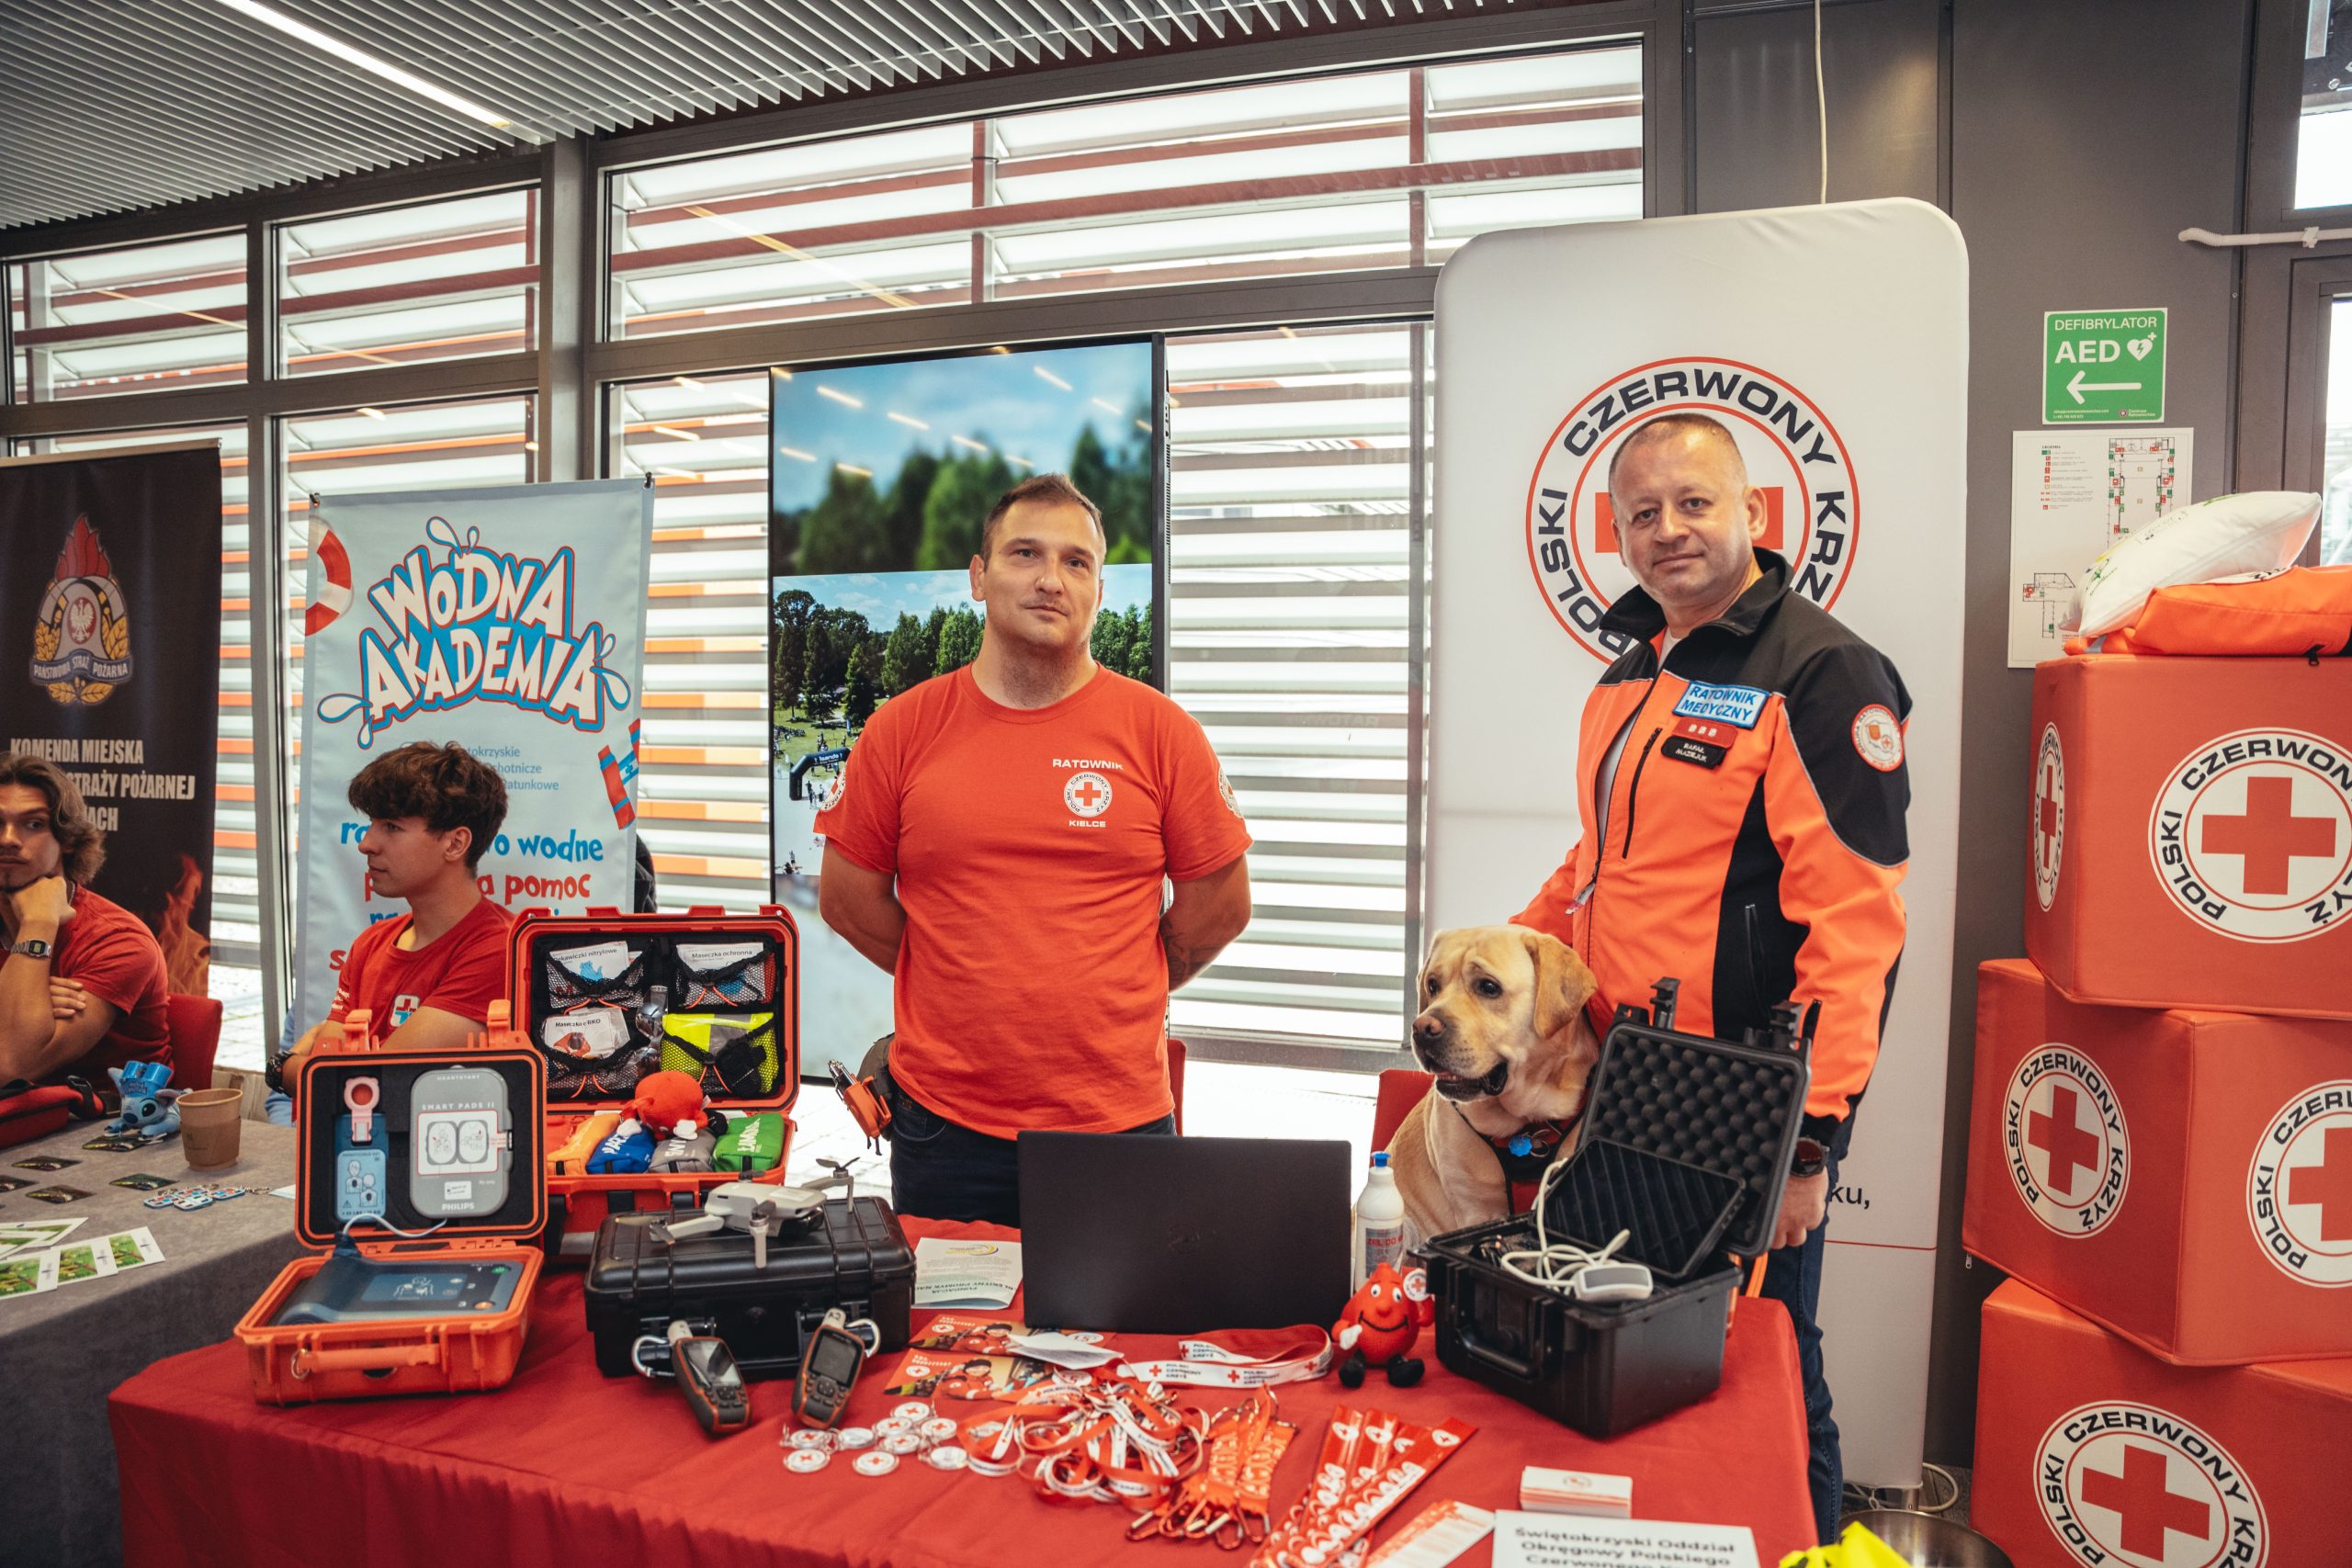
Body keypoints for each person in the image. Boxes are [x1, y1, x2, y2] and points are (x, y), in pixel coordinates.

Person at [1511, 412, 1909, 1544]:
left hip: (1741, 1098)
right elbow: (1597, 866)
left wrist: (1810, 1144)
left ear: (1754, 514)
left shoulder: (1822, 672)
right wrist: (1503, 960)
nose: (1668, 530)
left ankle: (1805, 1552)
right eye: (1642, 513)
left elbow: (1855, 926)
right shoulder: (1631, 670)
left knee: (1764, 1367)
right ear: (1617, 533)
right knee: (1622, 1359)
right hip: (1617, 1079)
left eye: (1693, 503)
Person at [814, 473, 1253, 1226]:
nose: (1052, 578)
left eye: (1076, 562)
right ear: (978, 576)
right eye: (1025, 553)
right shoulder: (901, 730)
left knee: (1123, 1309)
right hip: (944, 1128)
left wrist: (1123, 983)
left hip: (1118, 1126)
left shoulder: (1162, 734)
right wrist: (954, 976)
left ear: (1099, 590)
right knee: (941, 1310)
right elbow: (848, 899)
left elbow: (1219, 907)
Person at [267, 742, 514, 1106]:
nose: (366, 844)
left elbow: (371, 1088)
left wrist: (284, 1068)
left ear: (455, 843)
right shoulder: (371, 943)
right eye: (372, 824)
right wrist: (320, 1071)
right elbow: (334, 1075)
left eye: (392, 827)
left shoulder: (500, 948)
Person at [0, 751, 171, 1087]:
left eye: (34, 824)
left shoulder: (118, 939)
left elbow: (12, 1066)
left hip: (107, 1114)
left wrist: (38, 923)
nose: (8, 839)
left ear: (67, 840)